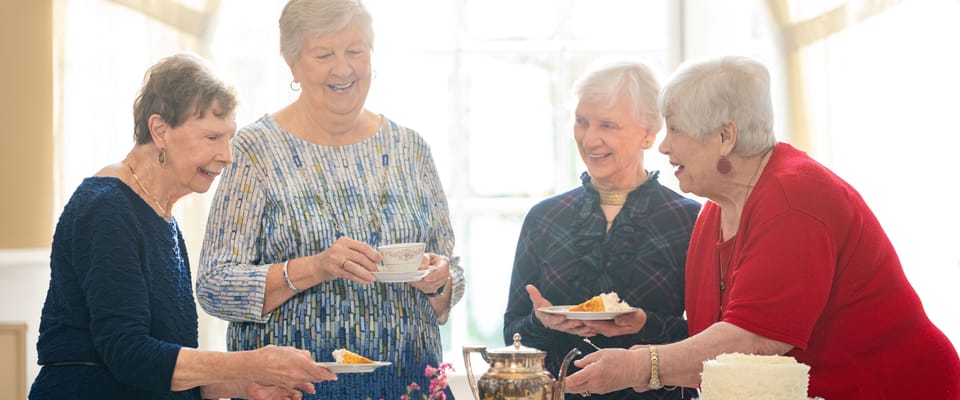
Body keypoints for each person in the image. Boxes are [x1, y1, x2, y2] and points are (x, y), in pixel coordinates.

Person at [563, 55, 960, 400]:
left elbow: (753, 342)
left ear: (724, 137)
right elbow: (718, 353)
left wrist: (637, 366)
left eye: (676, 129)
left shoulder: (796, 199)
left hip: (893, 390)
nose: (664, 147)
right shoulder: (714, 213)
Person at [195, 1, 464, 399]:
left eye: (355, 51)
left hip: (409, 388)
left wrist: (441, 281)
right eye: (324, 55)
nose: (344, 69)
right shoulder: (257, 151)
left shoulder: (410, 148)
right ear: (293, 65)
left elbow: (451, 271)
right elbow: (215, 284)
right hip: (293, 391)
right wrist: (315, 267)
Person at [29, 54, 335, 400]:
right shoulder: (107, 208)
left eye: (229, 138)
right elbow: (128, 355)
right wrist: (254, 363)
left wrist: (244, 387)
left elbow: (158, 368)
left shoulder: (163, 217)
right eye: (211, 138)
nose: (227, 156)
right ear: (160, 130)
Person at [502, 58, 701, 400]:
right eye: (582, 122)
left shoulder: (690, 220)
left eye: (608, 125)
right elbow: (513, 337)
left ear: (649, 134)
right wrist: (541, 323)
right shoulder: (545, 218)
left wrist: (645, 324)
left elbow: (710, 339)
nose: (589, 139)